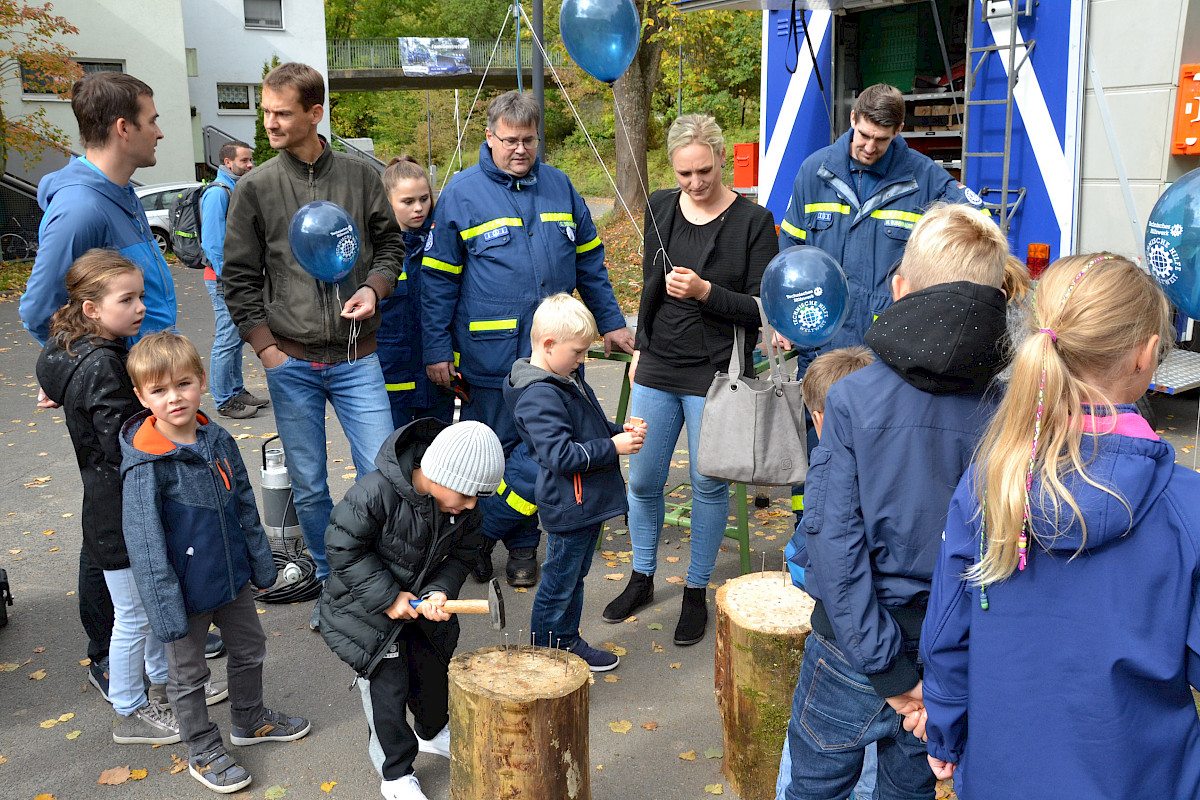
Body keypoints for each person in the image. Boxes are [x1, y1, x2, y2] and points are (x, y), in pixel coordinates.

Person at [917, 255, 1200, 798]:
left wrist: (946, 738)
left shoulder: (991, 481)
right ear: (1146, 354)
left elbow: (948, 629)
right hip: (1142, 776)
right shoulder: (1183, 506)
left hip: (1004, 773)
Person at [781, 203, 1009, 800]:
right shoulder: (1011, 408)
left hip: (854, 649)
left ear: (900, 288)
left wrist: (887, 670)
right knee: (908, 790)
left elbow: (832, 542)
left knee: (813, 785)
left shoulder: (854, 398)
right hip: (954, 652)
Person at [421, 90, 633, 588]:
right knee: (490, 459)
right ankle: (474, 540)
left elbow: (592, 266)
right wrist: (435, 349)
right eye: (510, 140)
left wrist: (612, 321)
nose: (520, 149)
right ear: (489, 137)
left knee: (540, 458)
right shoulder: (462, 193)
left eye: (529, 140)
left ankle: (520, 547)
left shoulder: (560, 187)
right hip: (490, 359)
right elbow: (437, 281)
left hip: (554, 362)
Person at [223, 62, 405, 631]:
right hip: (292, 362)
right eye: (266, 112)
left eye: (281, 113)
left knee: (381, 472)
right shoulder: (254, 188)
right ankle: (333, 582)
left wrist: (375, 290)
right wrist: (264, 348)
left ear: (314, 112)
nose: (269, 123)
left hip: (357, 356)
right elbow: (239, 277)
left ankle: (378, 576)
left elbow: (390, 249)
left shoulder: (360, 176)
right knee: (308, 481)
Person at [18, 70, 179, 692]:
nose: (161, 129)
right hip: (117, 390)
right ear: (123, 128)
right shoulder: (82, 205)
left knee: (146, 506)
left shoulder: (122, 192)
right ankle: (108, 654)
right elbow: (40, 309)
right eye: (153, 118)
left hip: (147, 383)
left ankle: (154, 630)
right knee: (111, 516)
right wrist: (78, 372)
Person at [601, 113, 777, 647]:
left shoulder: (753, 221)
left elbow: (761, 308)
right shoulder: (660, 207)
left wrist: (706, 293)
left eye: (703, 170)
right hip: (656, 365)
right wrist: (641, 347)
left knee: (707, 484)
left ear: (721, 159)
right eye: (684, 174)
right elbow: (650, 289)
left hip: (717, 374)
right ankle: (643, 575)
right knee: (644, 480)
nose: (695, 183)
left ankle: (696, 590)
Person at [777, 83, 986, 520]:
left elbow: (977, 227)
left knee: (881, 459)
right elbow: (789, 256)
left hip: (888, 354)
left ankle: (866, 545)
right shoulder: (813, 171)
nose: (870, 147)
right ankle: (808, 537)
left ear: (899, 131)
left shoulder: (923, 176)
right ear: (852, 119)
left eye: (882, 140)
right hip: (822, 350)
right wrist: (784, 319)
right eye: (864, 135)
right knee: (819, 456)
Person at [120, 332, 310, 794]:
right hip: (183, 595)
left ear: (202, 382)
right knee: (188, 676)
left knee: (249, 649)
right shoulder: (147, 466)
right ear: (141, 396)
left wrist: (262, 567)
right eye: (159, 390)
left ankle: (249, 719)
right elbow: (145, 545)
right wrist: (165, 610)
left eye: (182, 384)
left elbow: (245, 503)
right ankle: (202, 747)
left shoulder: (218, 438)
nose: (174, 398)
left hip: (234, 582)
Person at [35, 251, 182, 745]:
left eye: (141, 295)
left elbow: (51, 376)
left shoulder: (67, 349)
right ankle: (130, 708)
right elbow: (121, 444)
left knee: (152, 604)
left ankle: (163, 688)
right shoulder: (104, 363)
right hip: (120, 506)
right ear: (92, 309)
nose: (141, 306)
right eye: (128, 299)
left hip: (107, 501)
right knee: (136, 614)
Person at [319, 420, 504, 800]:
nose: (472, 505)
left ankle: (432, 733)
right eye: (468, 495)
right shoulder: (375, 493)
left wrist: (439, 591)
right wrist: (388, 597)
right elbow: (342, 547)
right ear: (438, 473)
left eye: (478, 498)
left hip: (420, 617)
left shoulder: (465, 509)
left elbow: (464, 555)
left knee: (433, 678)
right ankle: (396, 773)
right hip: (366, 617)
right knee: (388, 696)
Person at [508, 294, 646, 671]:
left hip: (586, 502)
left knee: (573, 578)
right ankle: (546, 655)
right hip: (569, 505)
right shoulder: (539, 394)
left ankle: (565, 641)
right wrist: (613, 446)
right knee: (558, 583)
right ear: (549, 345)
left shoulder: (563, 376)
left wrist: (620, 433)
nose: (583, 360)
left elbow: (589, 430)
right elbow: (561, 456)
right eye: (578, 352)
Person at [777, 345, 876, 800]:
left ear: (819, 417)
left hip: (842, 647)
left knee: (810, 774)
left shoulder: (828, 470)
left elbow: (815, 566)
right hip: (906, 646)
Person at [377, 156, 454, 429]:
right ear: (388, 202)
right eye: (408, 202)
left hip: (438, 380)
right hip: (392, 376)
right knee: (391, 459)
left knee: (437, 458)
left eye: (424, 199)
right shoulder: (376, 253)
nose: (419, 208)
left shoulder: (443, 244)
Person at [200, 140, 269, 420]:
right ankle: (224, 399)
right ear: (227, 163)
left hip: (233, 278)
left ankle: (236, 390)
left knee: (237, 337)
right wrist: (229, 279)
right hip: (223, 279)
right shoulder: (217, 193)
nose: (250, 165)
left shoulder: (234, 189)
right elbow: (213, 243)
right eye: (244, 161)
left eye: (251, 160)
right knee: (227, 339)